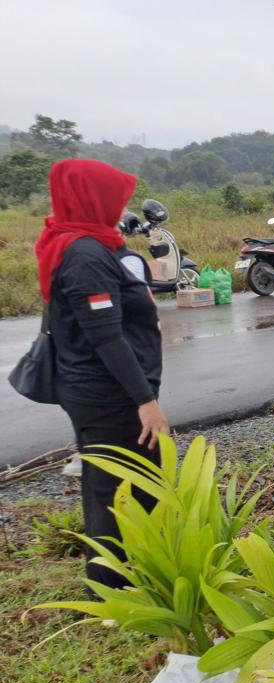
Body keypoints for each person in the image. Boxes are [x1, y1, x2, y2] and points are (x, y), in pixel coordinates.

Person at [35, 158, 169, 589]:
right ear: (91, 199)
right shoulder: (85, 255)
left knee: (132, 480)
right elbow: (106, 337)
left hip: (106, 389)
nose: (120, 209)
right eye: (115, 200)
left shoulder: (90, 243)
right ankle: (112, 587)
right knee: (114, 488)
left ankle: (143, 569)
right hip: (108, 395)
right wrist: (145, 402)